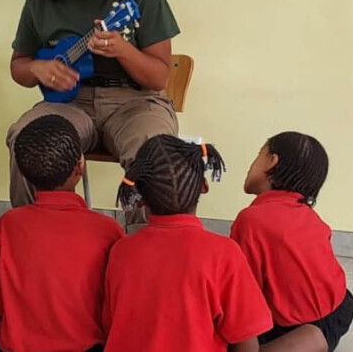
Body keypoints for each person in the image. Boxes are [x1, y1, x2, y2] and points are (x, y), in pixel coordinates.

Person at [7, 0, 180, 228]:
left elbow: (158, 78)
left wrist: (124, 51)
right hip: (69, 104)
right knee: (28, 138)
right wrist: (36, 69)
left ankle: (148, 250)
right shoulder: (40, 1)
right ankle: (33, 239)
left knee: (155, 151)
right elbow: (19, 66)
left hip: (135, 102)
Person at [103, 135, 272, 351]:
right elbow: (247, 340)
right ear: (203, 186)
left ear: (140, 196)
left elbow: (110, 325)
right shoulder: (224, 253)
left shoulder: (121, 251)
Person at [0, 114, 124, 352]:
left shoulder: (7, 224)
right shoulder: (108, 230)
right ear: (80, 168)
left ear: (23, 174)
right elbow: (117, 303)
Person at [230, 132, 353, 352]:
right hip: (338, 306)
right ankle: (313, 338)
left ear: (272, 161)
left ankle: (304, 339)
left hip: (285, 324)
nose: (250, 164)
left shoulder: (251, 219)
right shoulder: (308, 215)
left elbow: (243, 295)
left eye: (258, 155)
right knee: (342, 304)